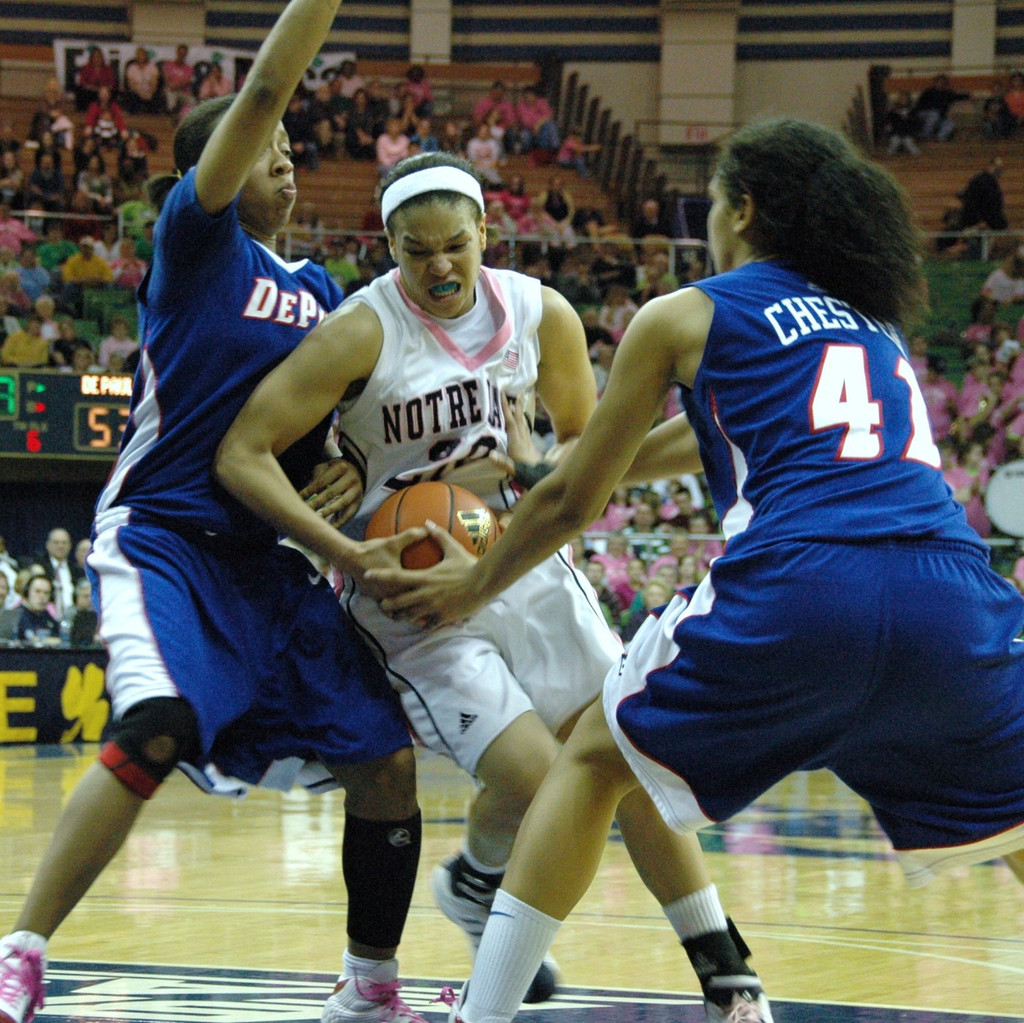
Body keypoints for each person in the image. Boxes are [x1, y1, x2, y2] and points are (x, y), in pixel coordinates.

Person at [368, 118, 1024, 1023]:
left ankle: (482, 1013)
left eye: (713, 201)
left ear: (742, 210)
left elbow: (570, 509)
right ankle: (725, 977)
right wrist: (553, 460)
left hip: (806, 582)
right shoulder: (870, 319)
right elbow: (691, 440)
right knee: (1016, 818)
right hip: (953, 596)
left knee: (594, 759)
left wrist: (471, 585)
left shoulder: (687, 312)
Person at [215, 150, 770, 1022]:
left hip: (519, 562)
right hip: (417, 598)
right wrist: (342, 539)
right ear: (389, 247)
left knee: (632, 752)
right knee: (552, 784)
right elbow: (243, 449)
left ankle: (723, 968)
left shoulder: (539, 313)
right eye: (413, 250)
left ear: (487, 234)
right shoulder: (362, 331)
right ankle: (481, 884)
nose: (437, 267)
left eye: (453, 247)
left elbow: (593, 450)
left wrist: (541, 462)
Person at [0, 2, 433, 1022]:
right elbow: (268, 88)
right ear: (220, 170)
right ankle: (21, 950)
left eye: (289, 152)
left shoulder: (322, 289)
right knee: (156, 726)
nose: (284, 160)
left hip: (265, 563)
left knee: (386, 760)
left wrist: (342, 471)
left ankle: (370, 989)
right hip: (164, 541)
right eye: (267, 147)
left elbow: (332, 429)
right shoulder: (197, 246)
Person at [912, 73, 970, 141]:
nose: (941, 84)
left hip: (939, 117)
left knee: (951, 123)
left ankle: (939, 138)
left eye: (943, 83)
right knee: (934, 114)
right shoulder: (927, 92)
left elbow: (958, 96)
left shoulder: (948, 93)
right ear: (935, 83)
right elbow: (918, 105)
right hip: (924, 115)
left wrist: (968, 96)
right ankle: (925, 135)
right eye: (939, 82)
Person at [958, 156, 1008, 232]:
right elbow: (974, 203)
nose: (999, 170)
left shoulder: (991, 182)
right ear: (990, 166)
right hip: (981, 223)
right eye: (997, 167)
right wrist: (980, 221)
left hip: (987, 221)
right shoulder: (981, 181)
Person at [14, 573, 61, 647]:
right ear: (27, 592)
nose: (42, 597)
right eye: (37, 591)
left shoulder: (47, 616)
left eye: (46, 593)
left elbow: (61, 639)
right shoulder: (16, 615)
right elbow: (31, 639)